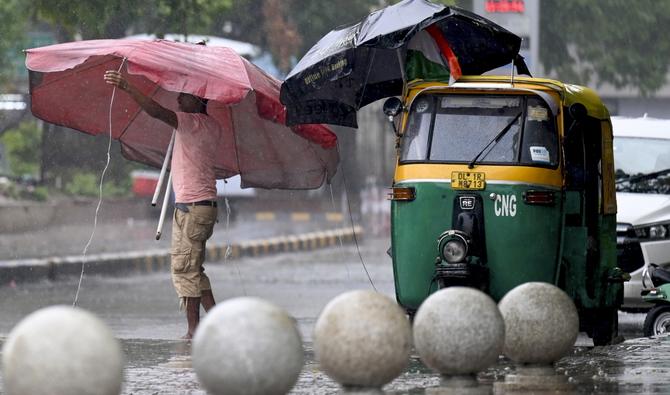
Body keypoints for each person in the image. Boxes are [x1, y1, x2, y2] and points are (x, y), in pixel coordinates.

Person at [104, 70, 220, 339]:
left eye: (184, 95)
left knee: (184, 270)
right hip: (206, 207)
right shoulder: (213, 126)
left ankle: (194, 331)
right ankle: (218, 322)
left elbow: (156, 112)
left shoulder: (189, 123)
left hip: (191, 208)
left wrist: (128, 87)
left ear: (199, 99)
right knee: (195, 268)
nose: (178, 99)